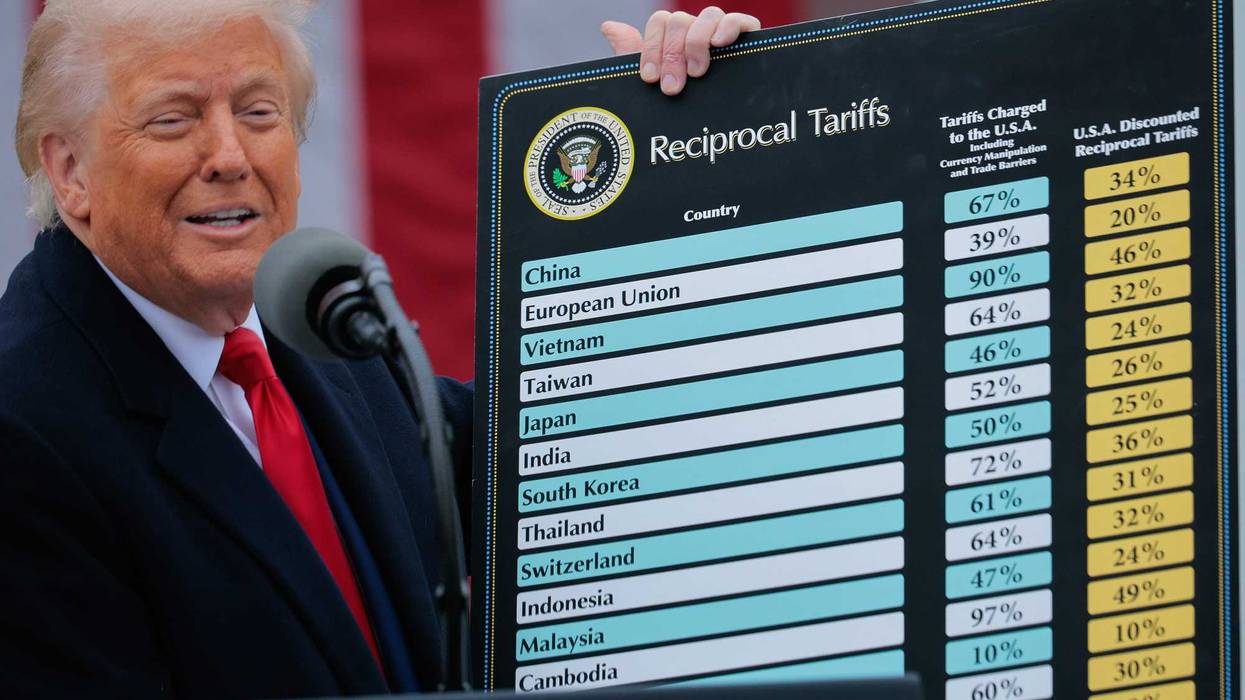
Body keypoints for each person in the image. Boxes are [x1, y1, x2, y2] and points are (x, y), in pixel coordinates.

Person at [0, 1, 760, 698]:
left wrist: (688, 140)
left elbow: (575, 462)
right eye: (173, 120)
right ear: (70, 172)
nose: (230, 155)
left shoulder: (331, 331)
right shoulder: (25, 430)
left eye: (259, 112)